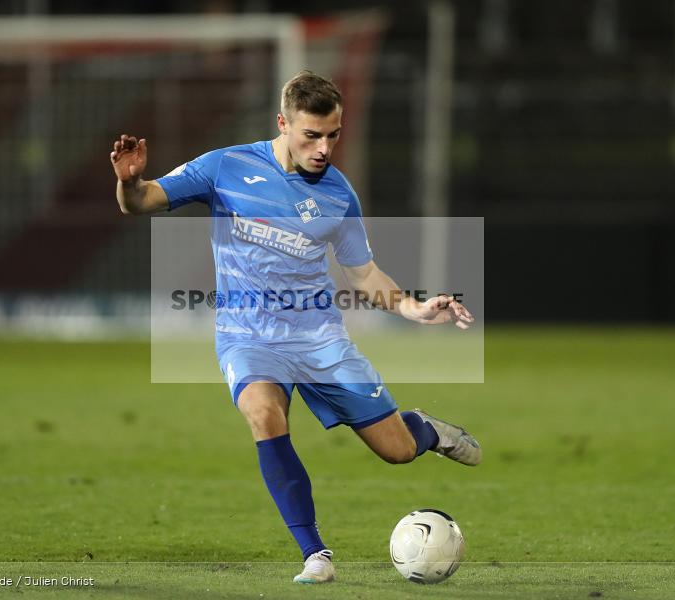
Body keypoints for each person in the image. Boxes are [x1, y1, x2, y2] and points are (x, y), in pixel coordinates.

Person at [110, 70, 481, 584]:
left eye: (333, 134)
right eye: (312, 135)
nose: (324, 147)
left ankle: (428, 430)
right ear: (283, 124)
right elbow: (143, 202)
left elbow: (363, 272)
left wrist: (414, 308)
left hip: (319, 338)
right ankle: (315, 554)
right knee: (264, 415)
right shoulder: (226, 166)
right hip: (248, 335)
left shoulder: (338, 195)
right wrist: (129, 182)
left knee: (396, 451)